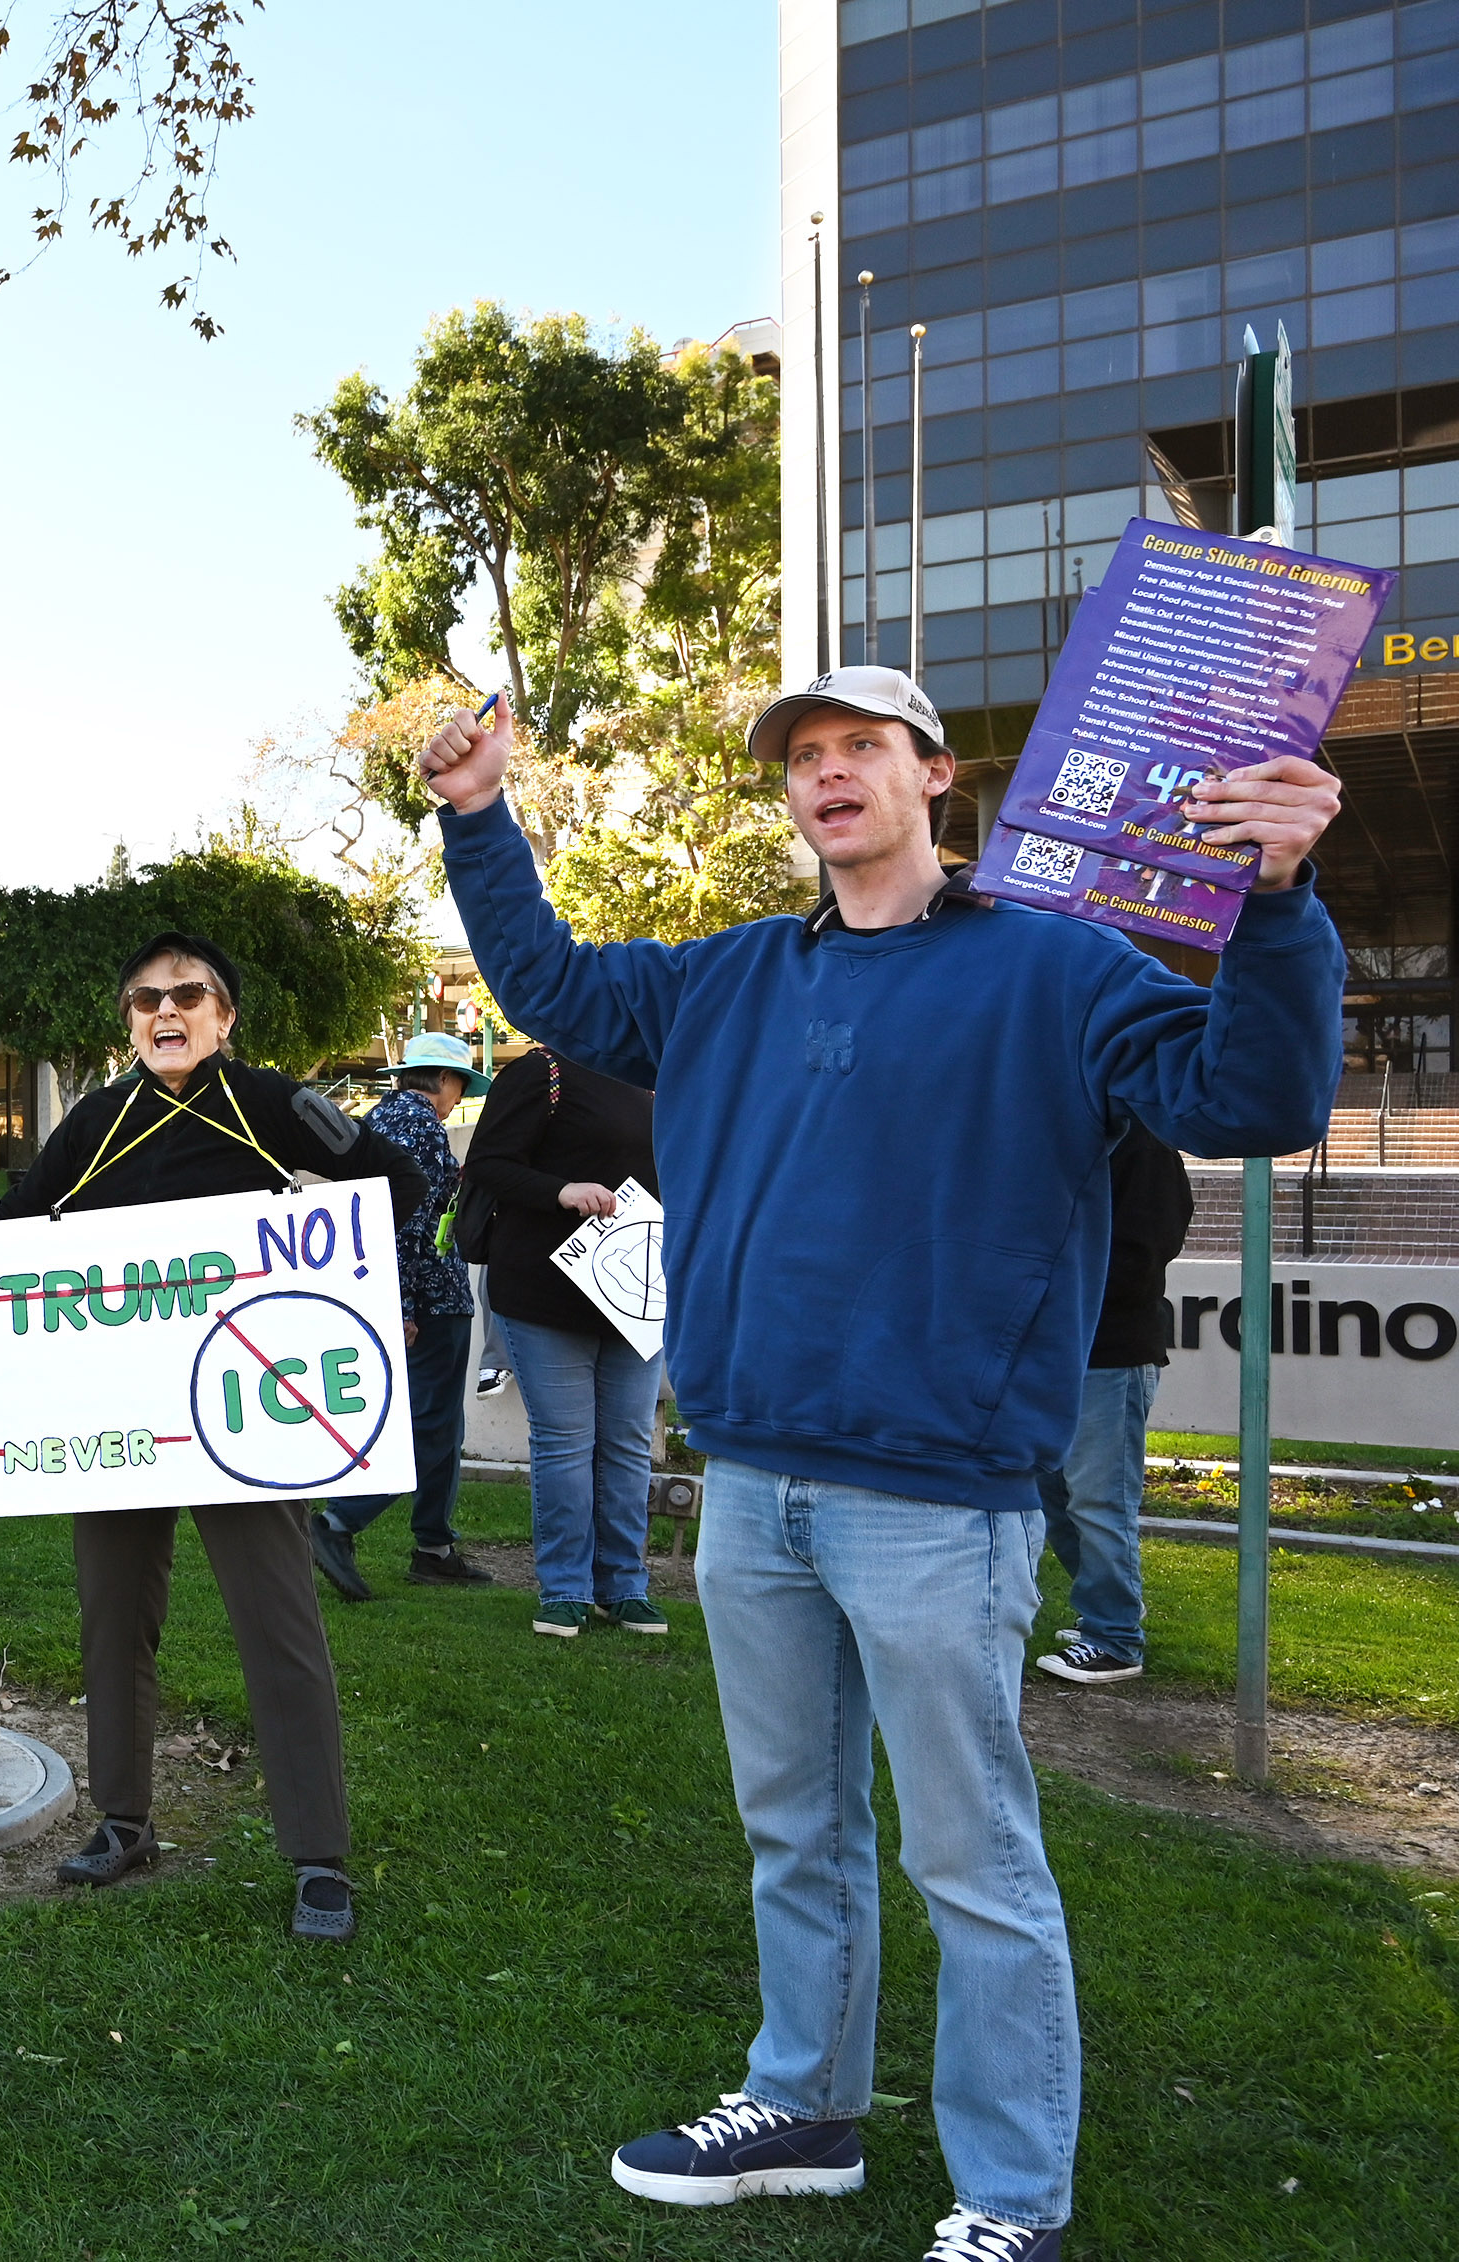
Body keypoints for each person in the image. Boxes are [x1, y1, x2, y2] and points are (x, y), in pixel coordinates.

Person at [418, 665, 1345, 2262]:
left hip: (939, 1494)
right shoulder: (730, 975)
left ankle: (1013, 2195)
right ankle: (806, 2104)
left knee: (970, 1858)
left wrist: (1278, 898)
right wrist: (480, 817)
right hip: (750, 1479)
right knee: (795, 1828)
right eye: (806, 754)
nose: (829, 772)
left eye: (863, 746)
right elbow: (552, 983)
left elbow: (1254, 1094)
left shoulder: (1059, 965)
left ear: (934, 777)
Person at [0, 931, 422, 1944]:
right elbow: (15, 1228)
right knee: (113, 1620)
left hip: (241, 1413)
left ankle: (318, 1856)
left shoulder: (274, 1104)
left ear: (223, 1016)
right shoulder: (96, 1121)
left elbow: (400, 1185)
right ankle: (124, 1820)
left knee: (278, 1624)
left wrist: (345, 1276)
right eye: (148, 998)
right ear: (128, 1021)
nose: (167, 1011)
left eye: (189, 995)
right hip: (113, 1410)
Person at [458, 1043, 667, 1638]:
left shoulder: (657, 1078)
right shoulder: (540, 1071)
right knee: (566, 1444)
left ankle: (624, 1587)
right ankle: (566, 1589)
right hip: (544, 1295)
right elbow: (487, 1164)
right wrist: (563, 1190)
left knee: (627, 1444)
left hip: (635, 1298)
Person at [310, 1033, 493, 1602]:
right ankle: (338, 1522)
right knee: (430, 1423)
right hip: (430, 1298)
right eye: (460, 1085)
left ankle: (434, 1547)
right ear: (445, 1079)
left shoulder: (377, 1121)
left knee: (441, 1422)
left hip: (405, 1292)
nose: (458, 1098)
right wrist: (405, 1305)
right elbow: (407, 1220)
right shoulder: (421, 1127)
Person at [1033, 1124, 1191, 1685]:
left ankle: (1115, 1638)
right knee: (1053, 1495)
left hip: (1111, 1353)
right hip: (1059, 1352)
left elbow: (1141, 1256)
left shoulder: (1144, 1144)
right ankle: (1109, 1609)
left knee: (1099, 1501)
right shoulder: (1074, 1134)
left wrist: (1050, 1283)